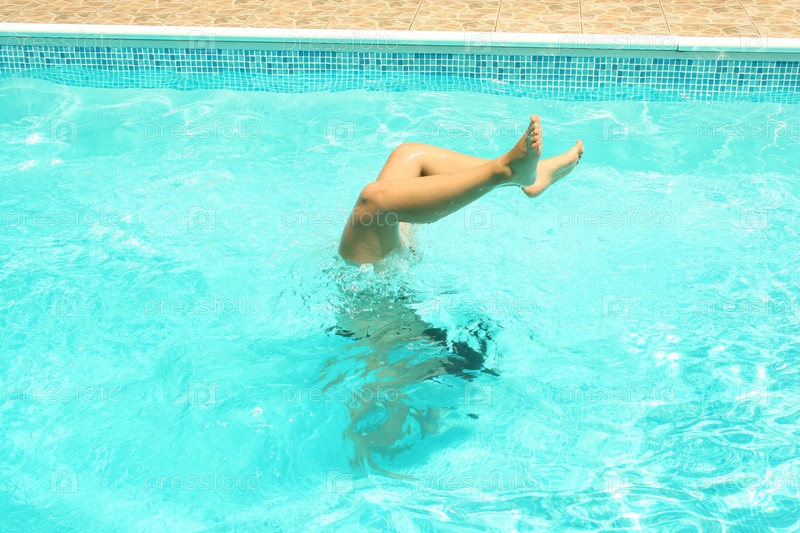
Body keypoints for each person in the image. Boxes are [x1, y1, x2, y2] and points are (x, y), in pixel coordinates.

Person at [338, 114, 584, 264]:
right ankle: (505, 172)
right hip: (372, 315)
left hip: (380, 271)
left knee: (409, 155)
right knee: (375, 201)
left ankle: (527, 176)